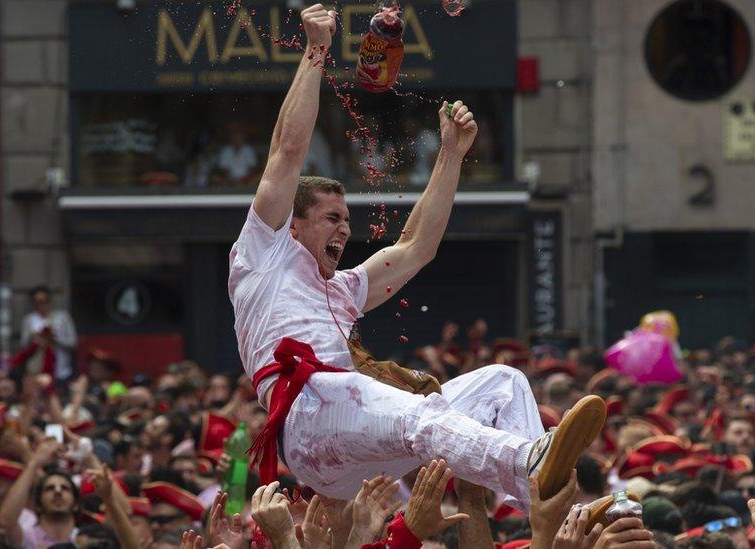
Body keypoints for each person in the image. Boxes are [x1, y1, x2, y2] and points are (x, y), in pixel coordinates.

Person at [228, 4, 605, 511]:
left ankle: (555, 509)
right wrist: (317, 50)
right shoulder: (263, 251)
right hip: (308, 420)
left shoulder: (341, 288)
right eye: (331, 218)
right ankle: (530, 462)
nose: (345, 228)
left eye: (346, 219)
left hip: (360, 448)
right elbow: (286, 152)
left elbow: (416, 248)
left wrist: (451, 154)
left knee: (503, 383)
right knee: (422, 415)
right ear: (291, 223)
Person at [20, 285, 77, 383]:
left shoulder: (62, 317)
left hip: (61, 370)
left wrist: (54, 338)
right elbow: (23, 345)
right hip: (37, 371)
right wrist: (34, 338)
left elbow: (73, 342)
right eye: (37, 302)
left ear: (49, 301)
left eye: (44, 301)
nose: (41, 305)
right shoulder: (29, 319)